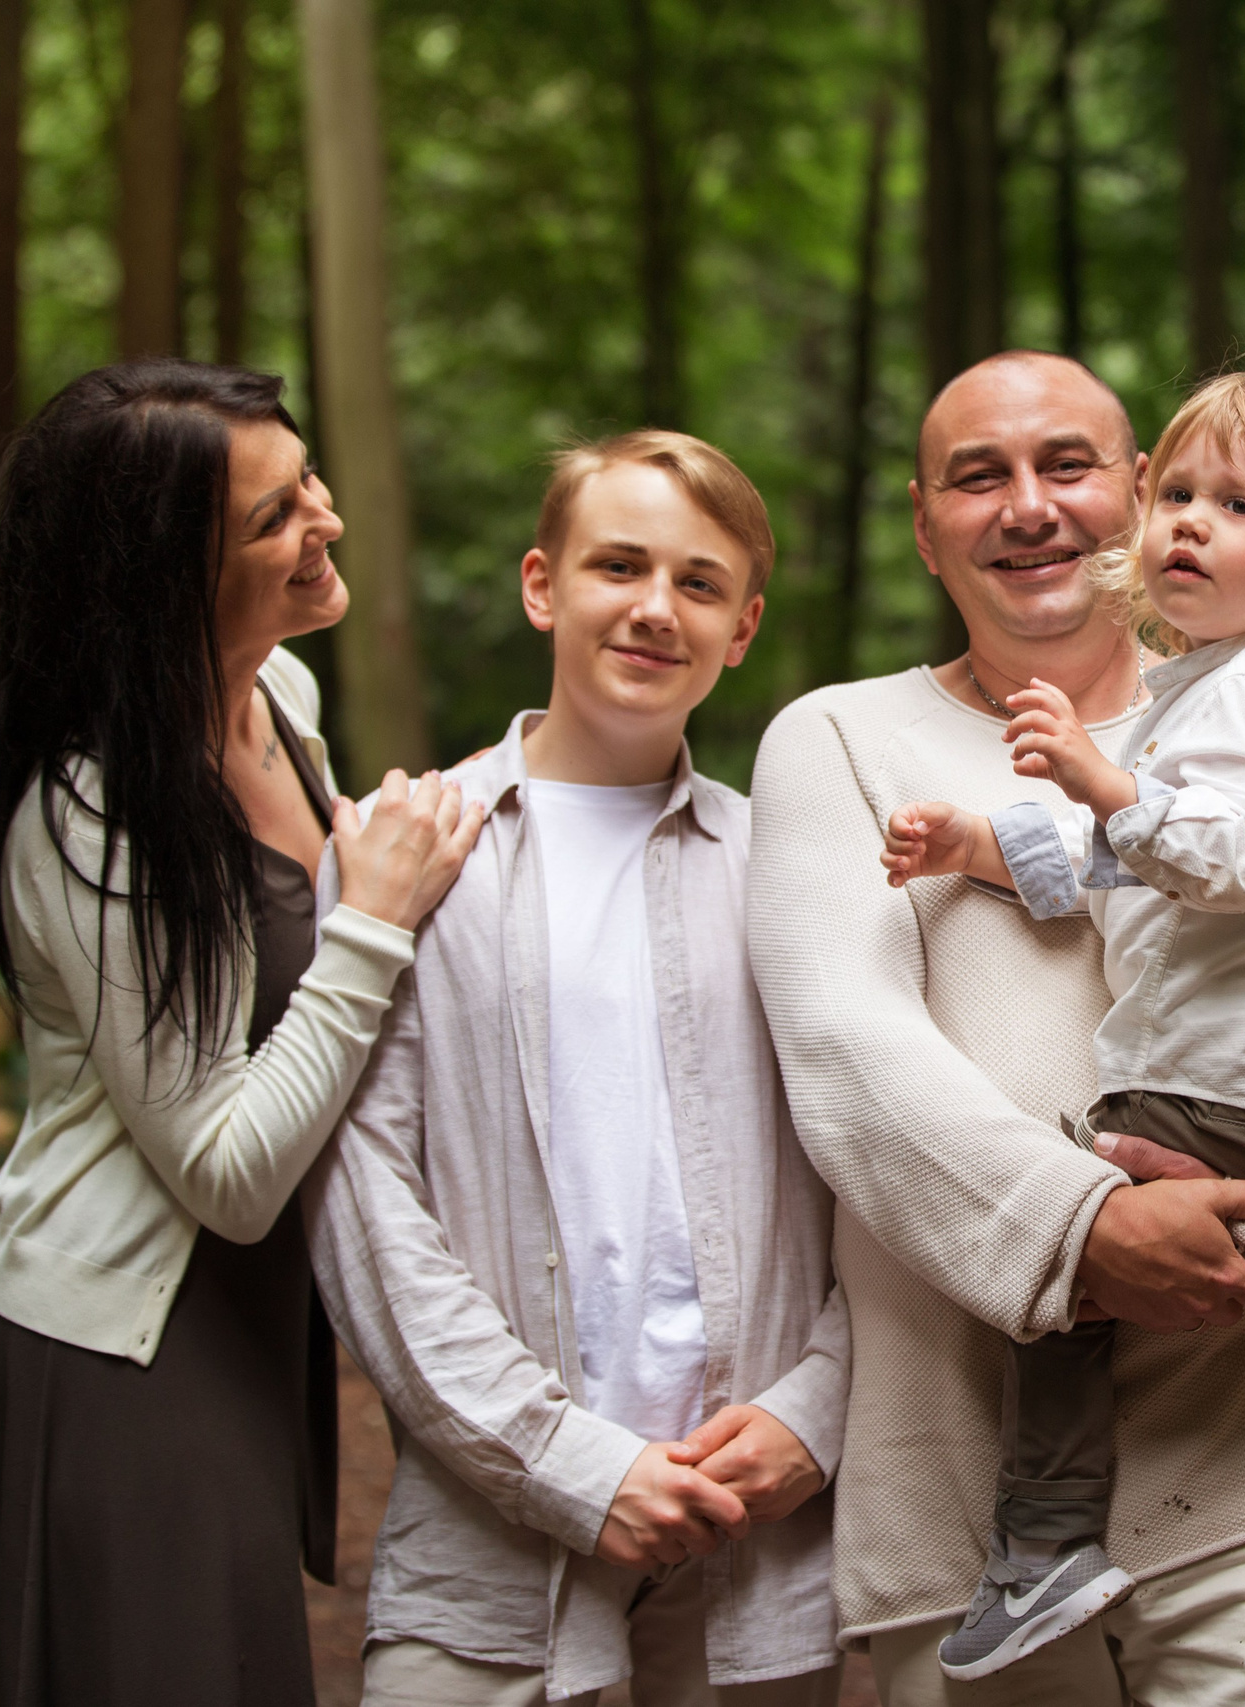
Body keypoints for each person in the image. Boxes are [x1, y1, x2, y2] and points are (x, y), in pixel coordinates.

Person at [747, 349, 1245, 1705]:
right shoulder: (838, 741)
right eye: (979, 477)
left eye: (1070, 465)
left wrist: (1237, 1255)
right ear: (926, 525)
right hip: (972, 1484)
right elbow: (852, 1058)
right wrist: (1085, 1234)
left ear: (1142, 492)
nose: (1029, 506)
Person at [0, 360, 482, 1706]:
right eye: (274, 518)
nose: (327, 521)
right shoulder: (88, 812)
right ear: (161, 581)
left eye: (310, 482)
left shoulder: (278, 700)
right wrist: (381, 918)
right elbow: (230, 1171)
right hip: (122, 1347)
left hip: (239, 1327)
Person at [877, 364, 1245, 1679]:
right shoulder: (1224, 680)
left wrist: (1094, 771)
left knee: (1073, 1246)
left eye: (1234, 503)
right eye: (1178, 491)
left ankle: (1048, 1534)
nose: (1185, 520)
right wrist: (979, 839)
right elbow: (1126, 855)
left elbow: (1216, 856)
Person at [307, 430, 848, 1707]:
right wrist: (569, 1464)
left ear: (744, 628)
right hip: (491, 1546)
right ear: (543, 585)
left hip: (754, 1550)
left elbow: (879, 1183)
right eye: (619, 566)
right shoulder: (405, 850)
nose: (656, 609)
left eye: (700, 584)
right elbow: (367, 1208)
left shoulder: (791, 870)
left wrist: (817, 1416)